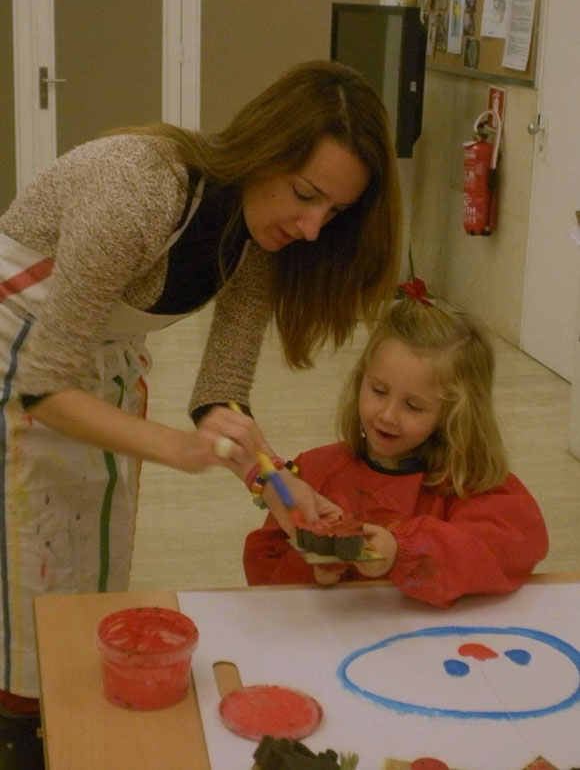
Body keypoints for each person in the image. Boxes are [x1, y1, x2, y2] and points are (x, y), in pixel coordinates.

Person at [0, 60, 401, 763]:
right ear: (264, 149)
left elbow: (222, 394)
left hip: (91, 359)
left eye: (332, 212)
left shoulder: (259, 238)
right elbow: (41, 386)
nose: (312, 227)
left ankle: (53, 723)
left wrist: (276, 485)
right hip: (19, 345)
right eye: (306, 195)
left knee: (83, 567)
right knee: (18, 581)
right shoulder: (139, 186)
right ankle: (22, 734)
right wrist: (178, 448)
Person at [242, 278, 549, 606]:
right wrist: (313, 570)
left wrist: (402, 552)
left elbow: (510, 548)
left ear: (454, 415)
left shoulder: (470, 482)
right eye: (378, 391)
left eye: (413, 406)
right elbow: (264, 571)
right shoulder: (315, 471)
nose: (388, 415)